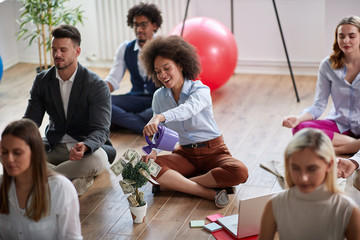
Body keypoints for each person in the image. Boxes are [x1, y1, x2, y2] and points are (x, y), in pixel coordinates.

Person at [140, 35, 248, 208]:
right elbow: (161, 133)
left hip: (214, 151)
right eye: (158, 71)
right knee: (148, 166)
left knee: (239, 171)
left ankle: (177, 184)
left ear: (181, 65)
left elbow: (187, 110)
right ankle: (205, 191)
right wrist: (153, 151)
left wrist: (160, 116)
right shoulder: (159, 97)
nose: (162, 75)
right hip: (186, 155)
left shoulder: (200, 90)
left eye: (167, 68)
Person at [23, 24, 112, 196]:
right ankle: (70, 180)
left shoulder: (96, 85)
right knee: (13, 152)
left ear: (77, 51)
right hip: (54, 146)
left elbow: (101, 129)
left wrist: (86, 146)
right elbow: (31, 120)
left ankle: (40, 179)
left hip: (83, 152)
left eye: (63, 50)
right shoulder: (42, 81)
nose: (57, 55)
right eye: (54, 49)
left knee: (100, 159)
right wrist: (17, 138)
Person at [282, 16, 360, 183]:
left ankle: (345, 147)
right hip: (340, 124)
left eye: (351, 36)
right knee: (300, 130)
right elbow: (319, 105)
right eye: (341, 36)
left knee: (307, 143)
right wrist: (298, 118)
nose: (346, 40)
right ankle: (356, 145)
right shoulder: (328, 65)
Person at [258, 128, 360, 240]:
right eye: (295, 168)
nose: (303, 178)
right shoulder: (275, 204)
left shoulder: (347, 209)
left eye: (312, 169)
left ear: (330, 165)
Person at [0, 119, 82, 240]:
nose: (9, 159)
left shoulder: (60, 189)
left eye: (17, 153)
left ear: (34, 153)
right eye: (4, 152)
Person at [104, 2, 162, 134]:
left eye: (144, 25)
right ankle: (143, 127)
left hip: (158, 101)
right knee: (101, 105)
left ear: (154, 25)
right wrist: (96, 93)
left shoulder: (164, 47)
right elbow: (113, 79)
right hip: (135, 98)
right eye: (136, 25)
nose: (139, 30)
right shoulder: (125, 48)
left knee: (158, 113)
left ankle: (123, 121)